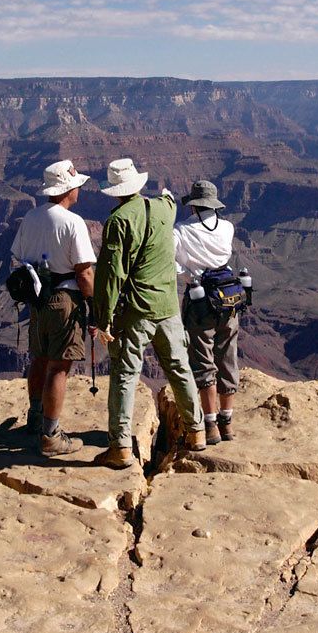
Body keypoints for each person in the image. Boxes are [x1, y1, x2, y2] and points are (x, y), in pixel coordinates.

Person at [90, 158, 205, 468]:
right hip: (168, 307)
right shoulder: (164, 209)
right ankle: (197, 432)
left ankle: (121, 448)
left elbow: (111, 274)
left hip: (136, 311)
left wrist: (102, 319)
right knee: (179, 368)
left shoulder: (118, 221)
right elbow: (169, 199)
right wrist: (166, 193)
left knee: (125, 375)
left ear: (114, 191)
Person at [10, 159, 96, 456]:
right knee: (59, 366)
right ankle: (51, 436)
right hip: (64, 301)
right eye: (76, 186)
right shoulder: (73, 223)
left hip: (37, 299)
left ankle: (34, 419)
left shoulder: (31, 217)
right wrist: (94, 304)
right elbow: (84, 272)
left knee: (40, 358)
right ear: (68, 189)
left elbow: (18, 256)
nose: (79, 191)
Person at [173, 180, 241, 446]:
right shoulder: (227, 227)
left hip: (200, 302)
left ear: (193, 204)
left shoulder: (181, 230)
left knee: (203, 361)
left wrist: (188, 271)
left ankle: (210, 425)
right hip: (229, 299)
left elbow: (174, 262)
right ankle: (228, 422)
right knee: (227, 357)